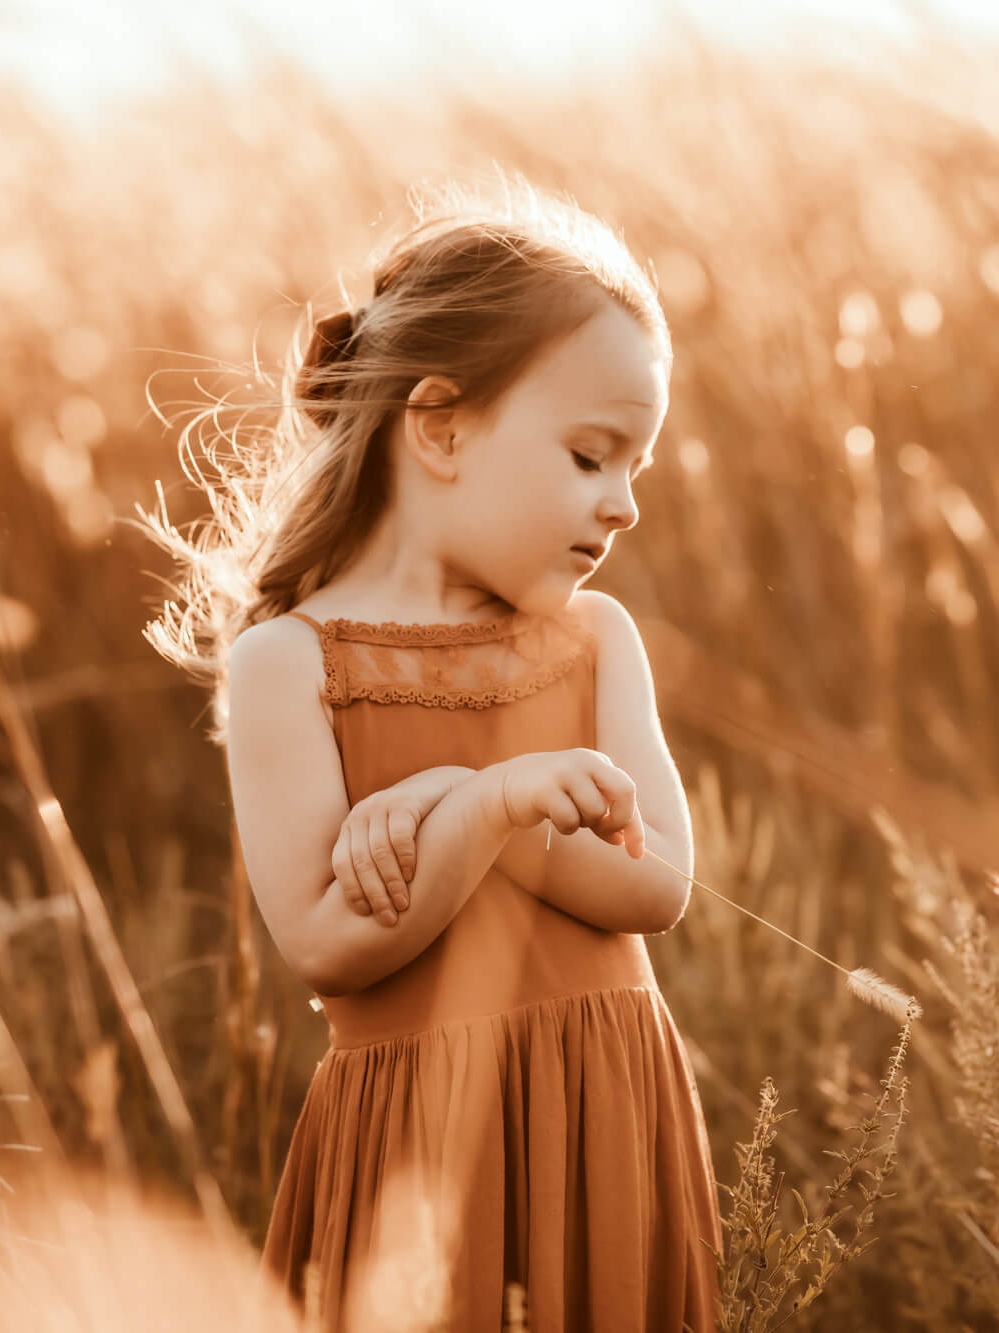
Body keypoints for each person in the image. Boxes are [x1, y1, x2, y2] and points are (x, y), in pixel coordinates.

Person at [139, 177, 721, 1332]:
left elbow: (655, 886)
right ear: (442, 425)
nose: (624, 508)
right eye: (591, 456)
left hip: (601, 1119)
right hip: (416, 1150)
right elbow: (326, 943)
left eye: (636, 470)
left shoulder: (594, 643)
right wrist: (489, 807)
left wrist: (479, 806)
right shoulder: (287, 665)